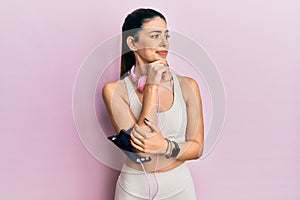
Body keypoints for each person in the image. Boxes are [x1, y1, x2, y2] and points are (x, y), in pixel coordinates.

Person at [102, 8, 204, 200]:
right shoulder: (113, 90)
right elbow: (139, 148)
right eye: (155, 35)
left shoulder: (188, 85)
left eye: (167, 36)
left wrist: (165, 146)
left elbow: (197, 147)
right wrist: (151, 88)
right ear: (132, 42)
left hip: (180, 187)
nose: (164, 42)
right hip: (133, 190)